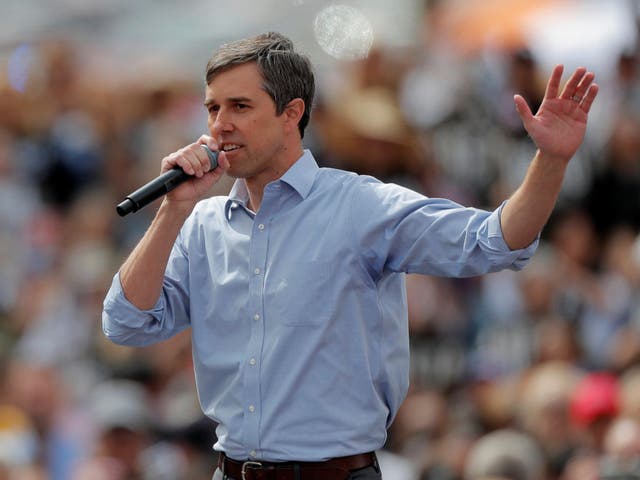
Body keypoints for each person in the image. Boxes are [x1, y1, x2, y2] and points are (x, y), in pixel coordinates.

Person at [102, 32, 598, 480]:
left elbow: (493, 241)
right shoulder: (202, 223)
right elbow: (125, 322)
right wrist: (173, 209)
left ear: (292, 113)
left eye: (239, 107)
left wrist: (551, 160)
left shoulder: (361, 206)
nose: (219, 126)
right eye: (212, 109)